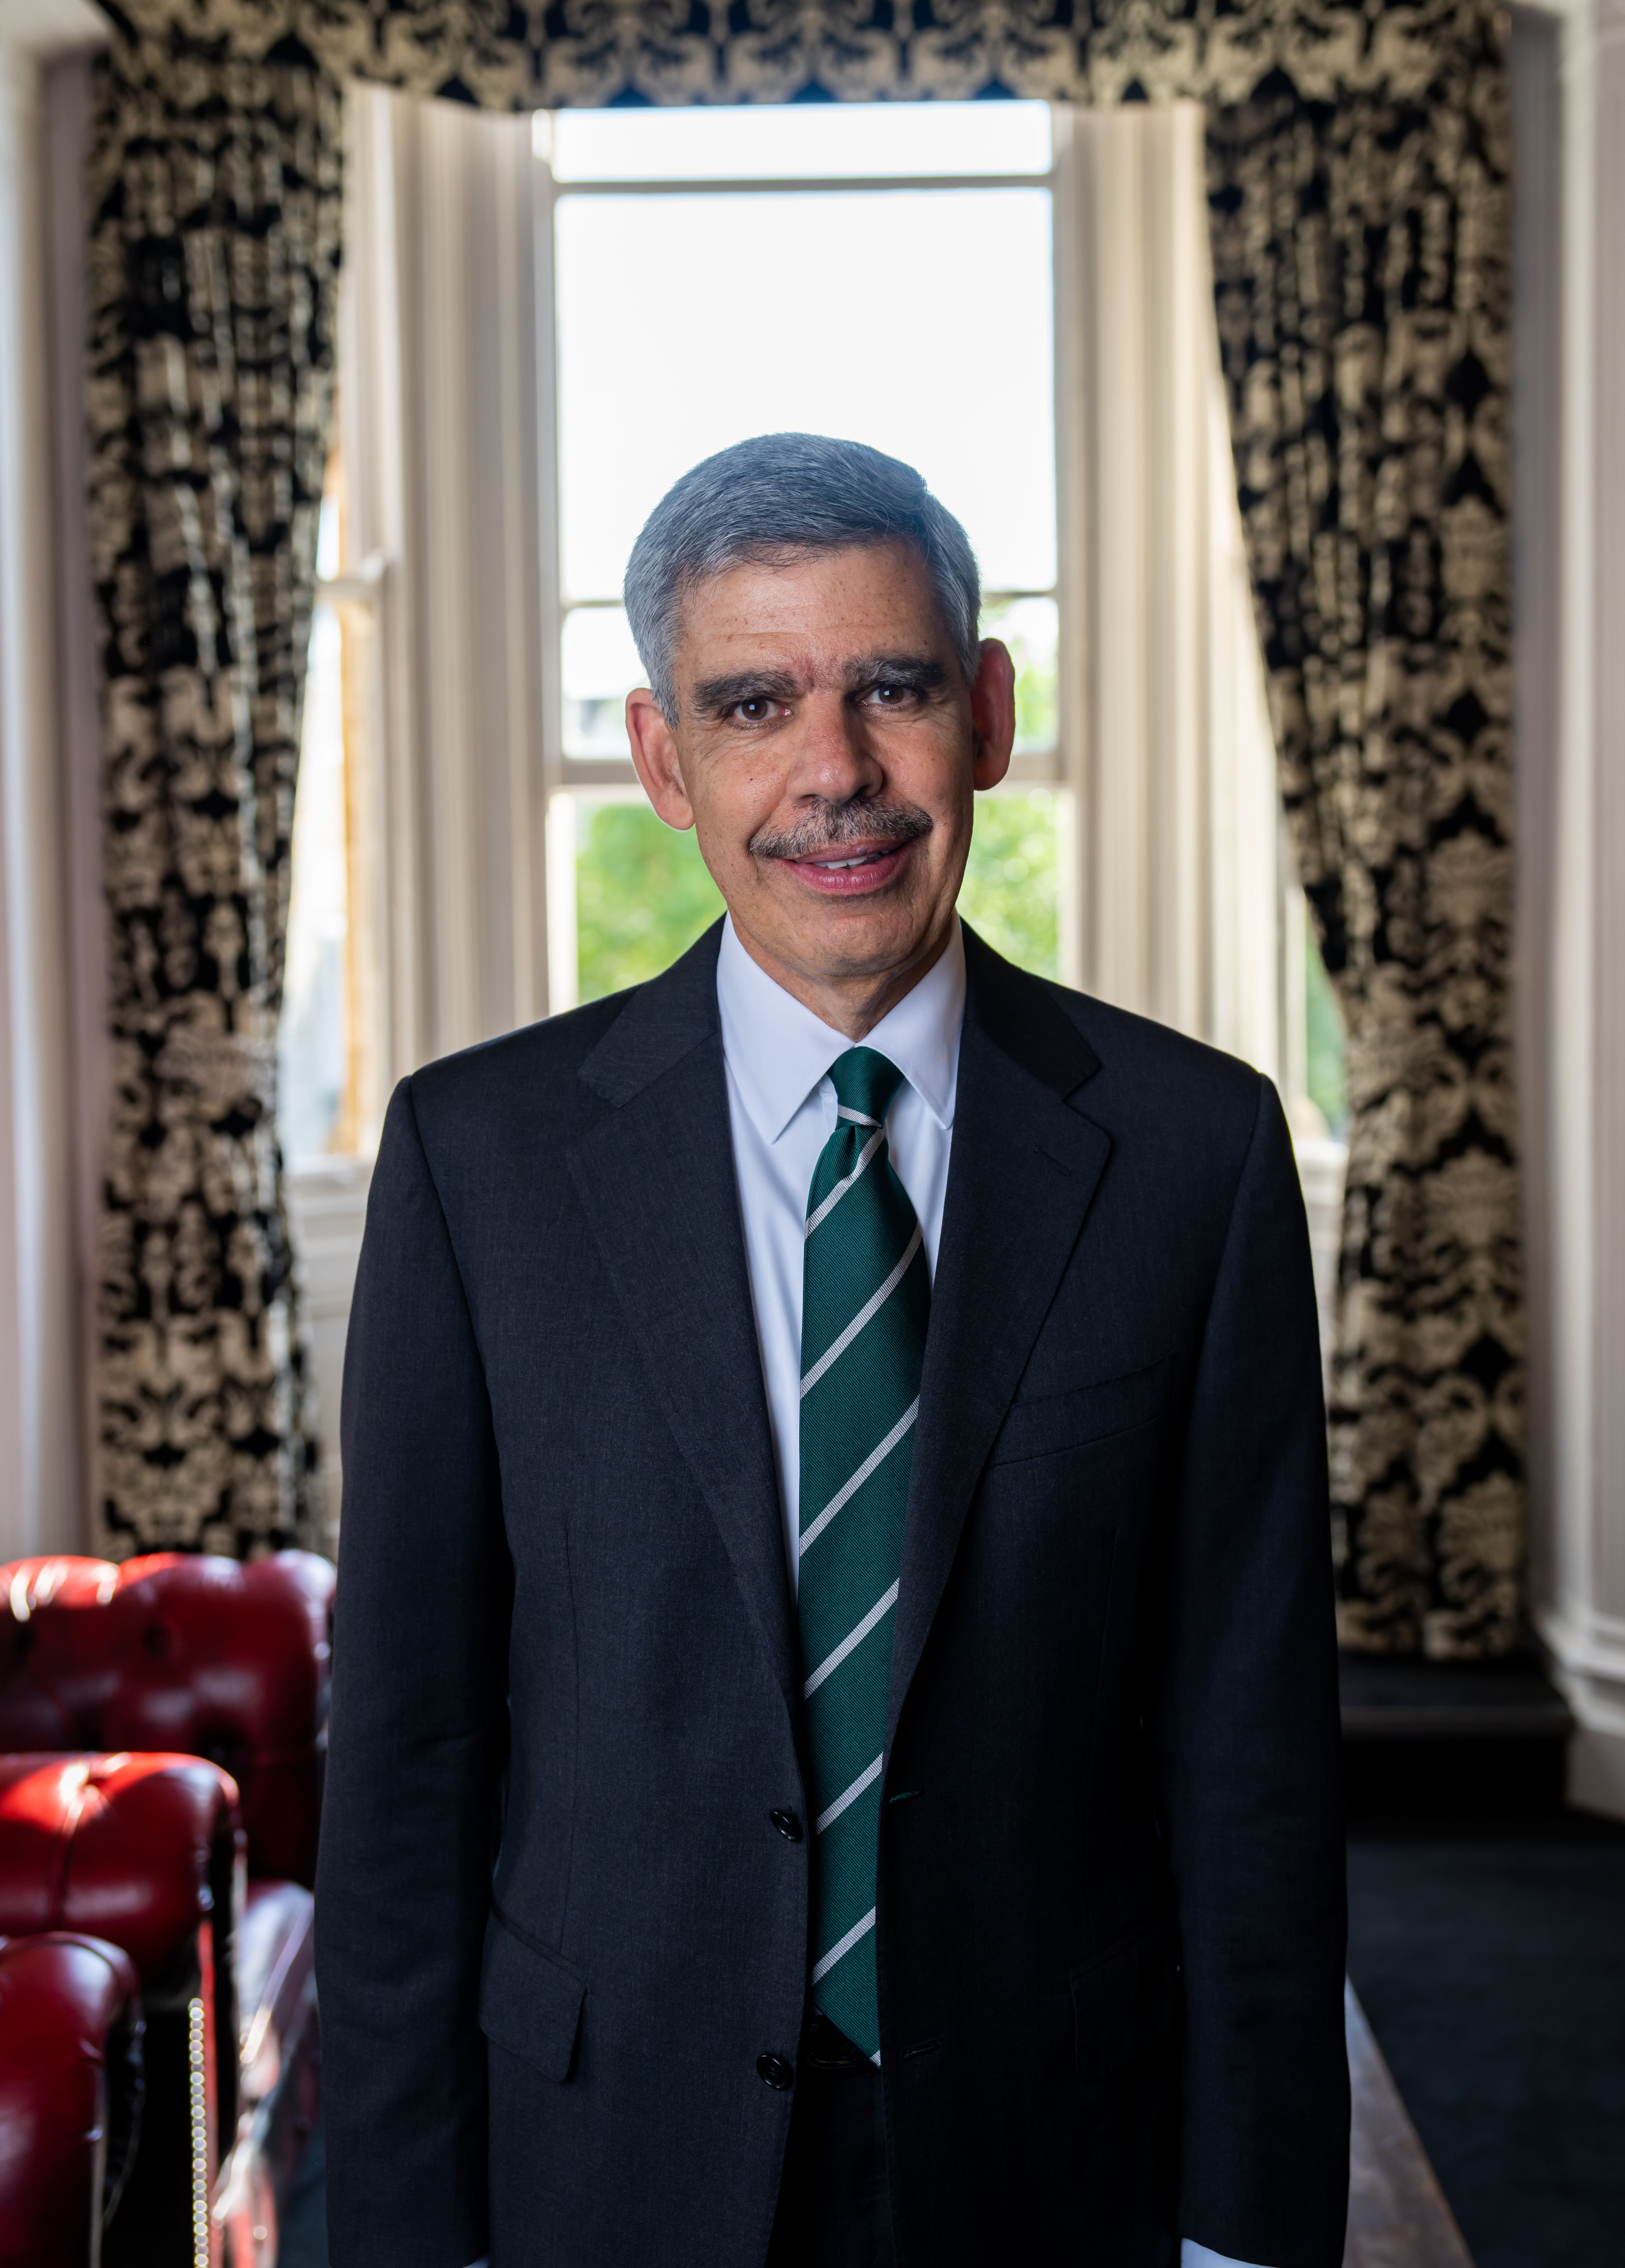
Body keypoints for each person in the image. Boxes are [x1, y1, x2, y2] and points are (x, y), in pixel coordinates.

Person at [317, 433, 1348, 2268]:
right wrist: (408, 2225)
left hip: (1056, 2136)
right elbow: (408, 1748)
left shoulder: (1196, 1153)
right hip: (600, 2140)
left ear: (989, 712)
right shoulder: (476, 1163)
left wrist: (1251, 2225)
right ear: (661, 761)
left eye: (892, 689)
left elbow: (1249, 1742)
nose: (835, 775)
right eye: (751, 704)